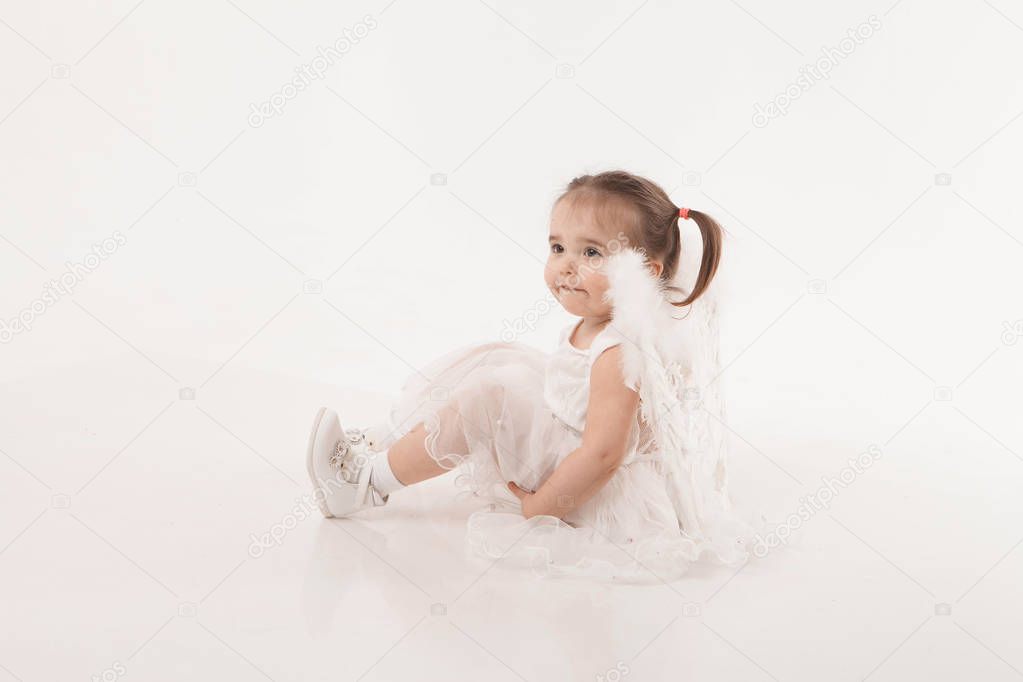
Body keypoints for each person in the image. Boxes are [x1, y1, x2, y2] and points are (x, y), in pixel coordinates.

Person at [304, 170, 764, 582]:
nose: (566, 265)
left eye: (592, 253)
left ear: (646, 272)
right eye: (558, 247)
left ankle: (363, 485)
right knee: (500, 357)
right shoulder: (596, 326)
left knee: (488, 396)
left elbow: (602, 455)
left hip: (588, 488)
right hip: (571, 444)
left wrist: (540, 507)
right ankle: (386, 440)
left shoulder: (618, 352)